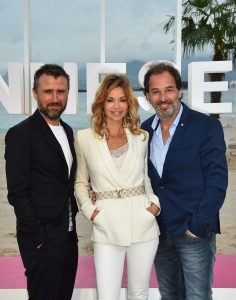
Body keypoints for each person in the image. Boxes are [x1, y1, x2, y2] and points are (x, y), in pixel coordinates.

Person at [141, 61, 228, 300]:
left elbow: (217, 182)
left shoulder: (206, 126)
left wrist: (197, 226)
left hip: (194, 232)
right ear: (148, 96)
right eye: (155, 91)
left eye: (169, 89)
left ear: (180, 91)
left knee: (197, 296)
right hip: (159, 232)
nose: (163, 97)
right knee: (169, 295)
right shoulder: (144, 131)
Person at [74, 74, 160, 300]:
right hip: (106, 227)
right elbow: (81, 183)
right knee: (107, 295)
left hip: (143, 225)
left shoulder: (141, 137)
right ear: (101, 102)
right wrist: (91, 213)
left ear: (129, 103)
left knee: (139, 292)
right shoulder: (84, 138)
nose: (117, 106)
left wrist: (154, 207)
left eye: (122, 100)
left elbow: (146, 179)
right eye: (110, 100)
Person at [5, 64, 79, 300]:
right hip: (42, 240)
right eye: (48, 91)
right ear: (36, 93)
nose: (55, 98)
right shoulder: (21, 134)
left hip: (68, 236)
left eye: (61, 91)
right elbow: (17, 193)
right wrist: (38, 237)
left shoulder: (67, 131)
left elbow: (63, 181)